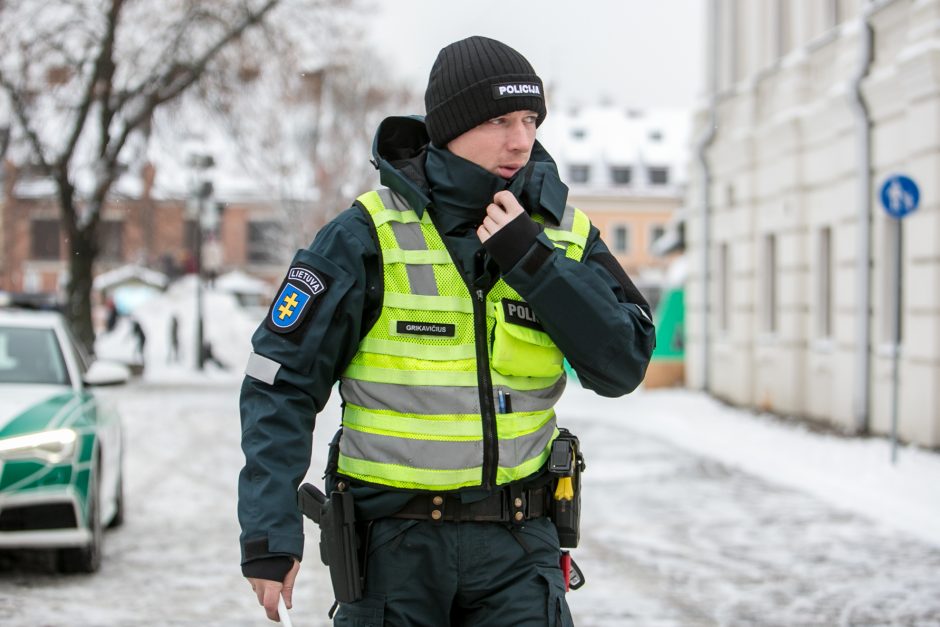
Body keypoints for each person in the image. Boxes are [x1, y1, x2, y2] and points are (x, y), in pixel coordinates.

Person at [238, 36, 655, 625]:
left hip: (520, 549)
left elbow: (623, 365)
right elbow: (279, 381)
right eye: (499, 119)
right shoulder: (366, 236)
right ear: (450, 126)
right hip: (392, 555)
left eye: (531, 119)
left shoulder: (561, 235)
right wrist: (268, 532)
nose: (521, 139)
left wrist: (533, 263)